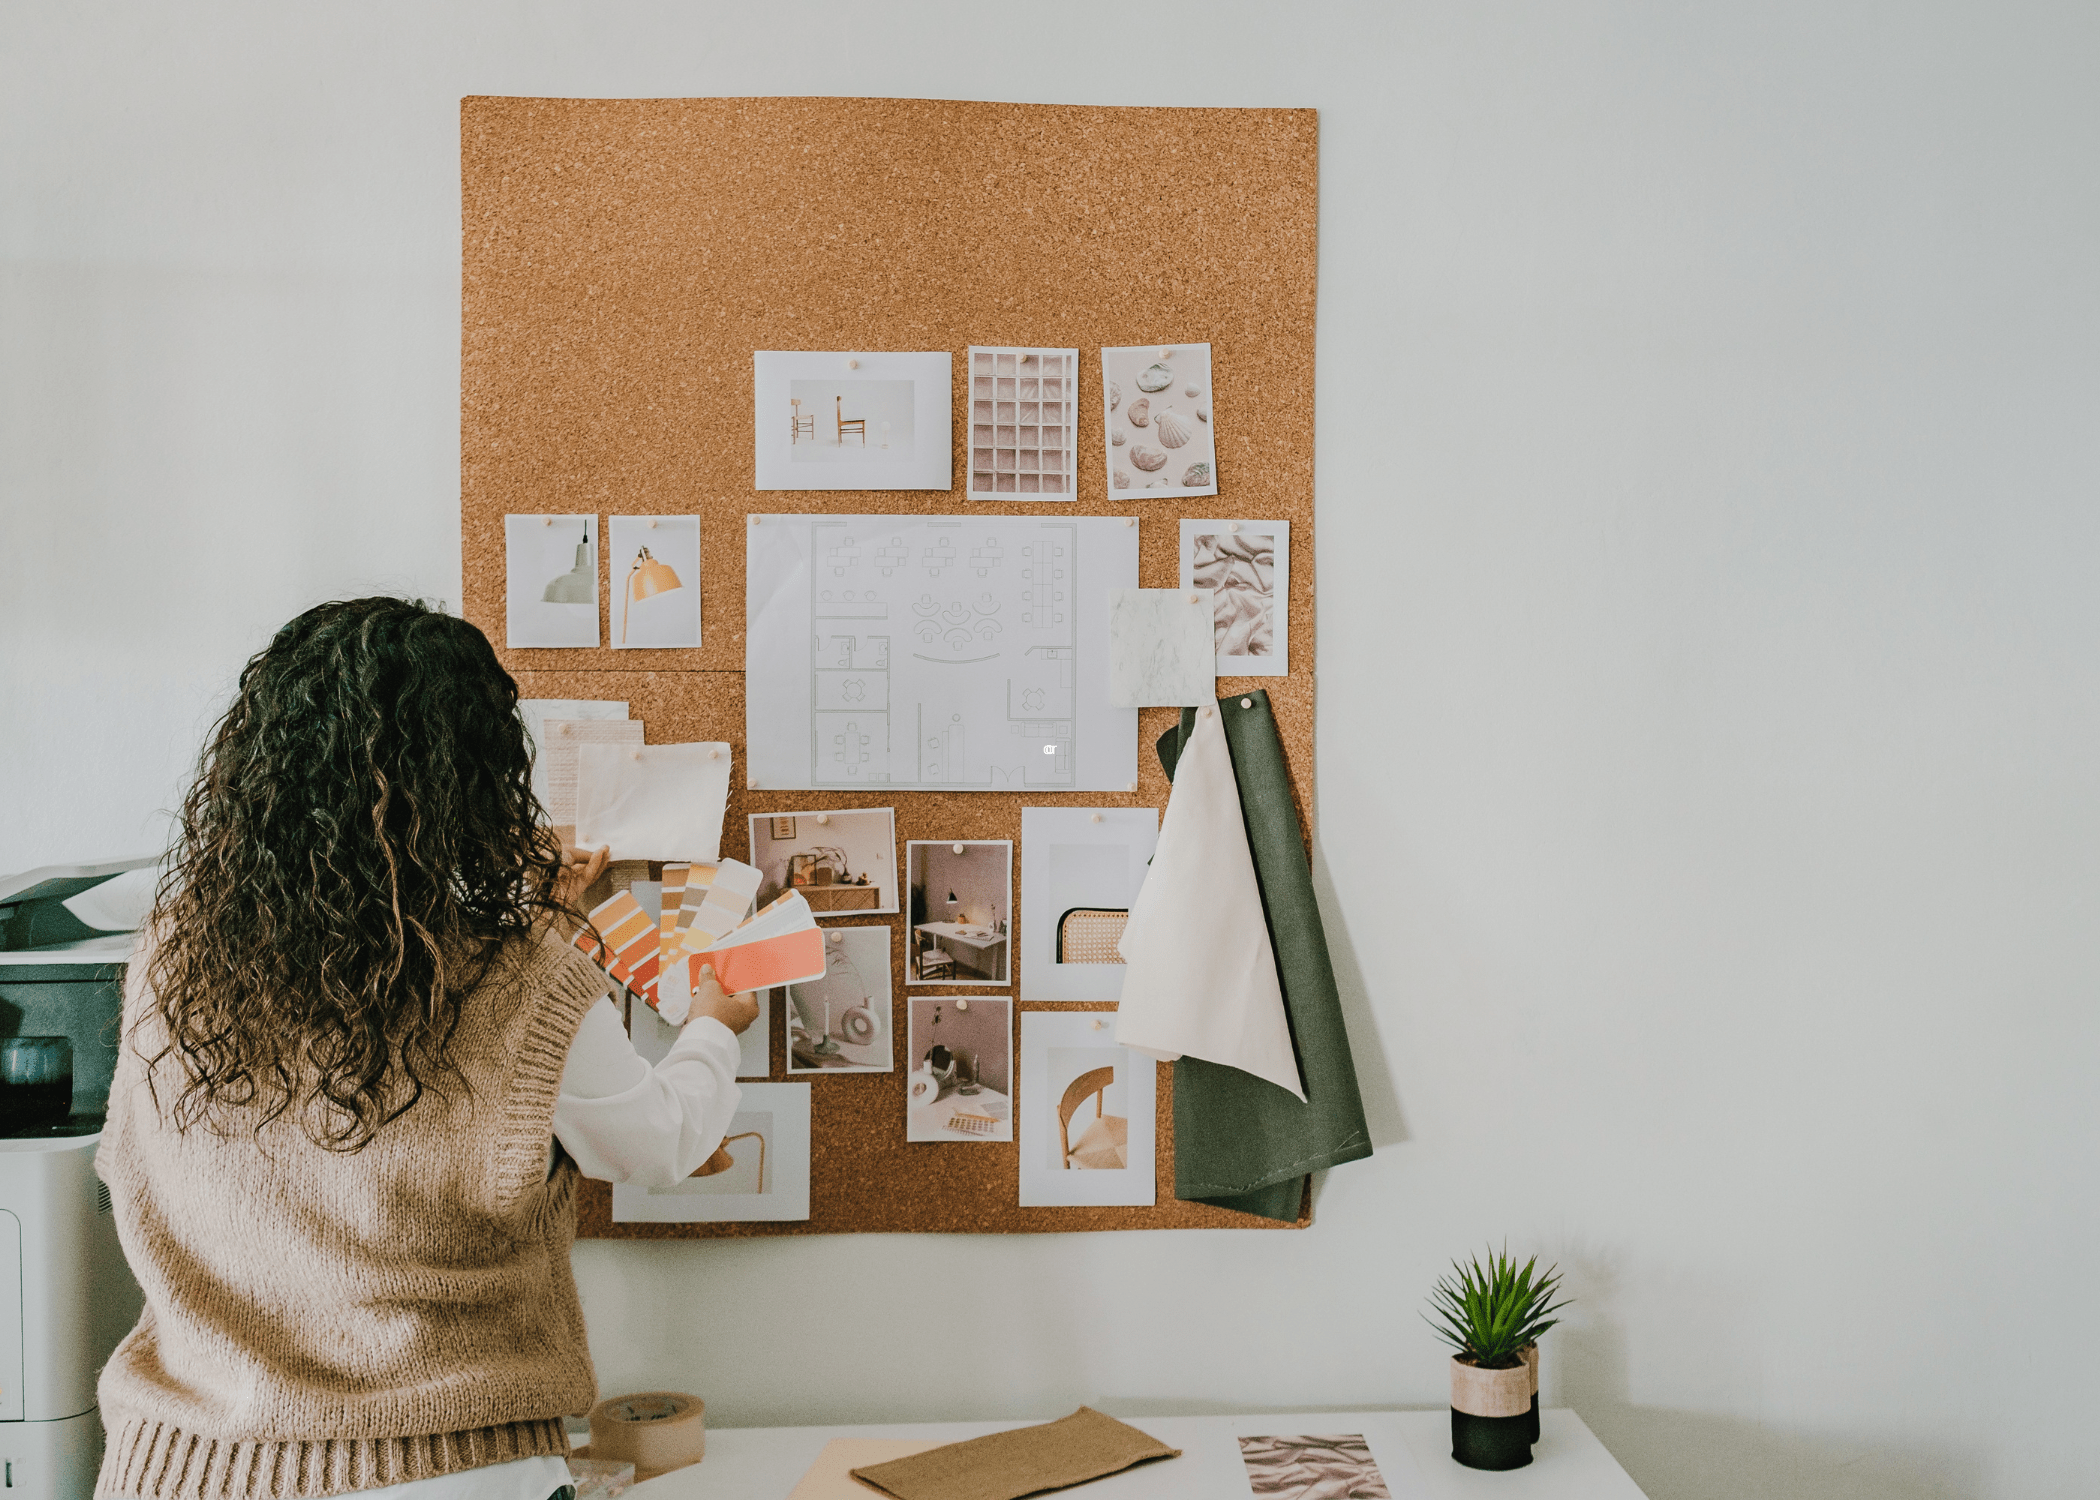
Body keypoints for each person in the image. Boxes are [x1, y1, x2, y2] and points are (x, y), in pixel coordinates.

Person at [94, 598, 758, 1500]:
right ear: (479, 784)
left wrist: (537, 933)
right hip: (440, 1468)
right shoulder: (515, 979)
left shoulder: (171, 956)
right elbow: (661, 1142)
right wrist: (716, 1021)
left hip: (188, 1468)